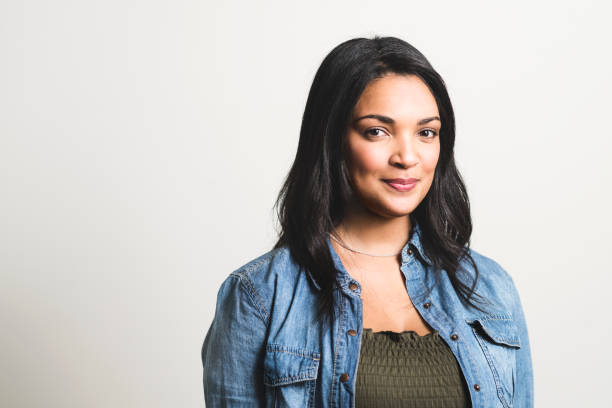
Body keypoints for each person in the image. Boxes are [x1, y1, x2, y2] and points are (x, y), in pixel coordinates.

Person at [201, 35, 533, 408]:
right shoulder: (259, 296)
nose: (407, 156)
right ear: (332, 140)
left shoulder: (490, 288)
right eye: (378, 131)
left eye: (426, 132)